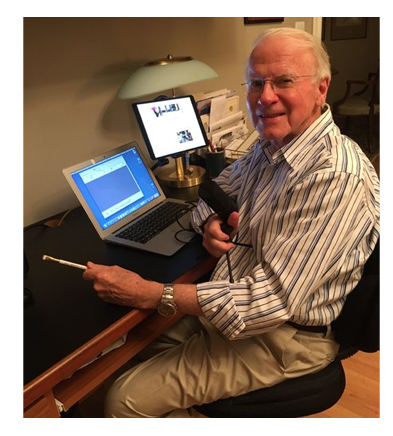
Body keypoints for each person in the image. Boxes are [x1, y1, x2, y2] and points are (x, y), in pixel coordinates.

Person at [83, 27, 380, 418]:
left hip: (286, 336)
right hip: (238, 304)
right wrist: (210, 224)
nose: (266, 96)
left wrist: (153, 293)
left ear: (321, 89)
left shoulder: (335, 177)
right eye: (256, 82)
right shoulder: (270, 146)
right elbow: (215, 190)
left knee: (124, 400)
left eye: (284, 81)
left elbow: (267, 302)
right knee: (135, 346)